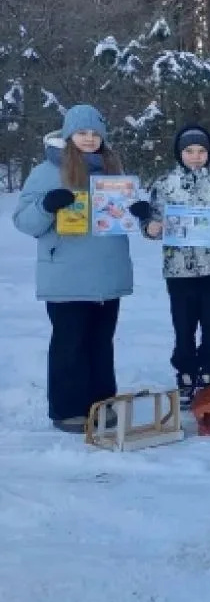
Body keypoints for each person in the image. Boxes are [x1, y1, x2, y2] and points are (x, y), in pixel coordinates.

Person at [13, 104, 136, 432]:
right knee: (70, 343)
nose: (89, 139)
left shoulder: (112, 172)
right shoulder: (45, 172)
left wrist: (137, 210)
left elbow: (120, 220)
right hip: (66, 274)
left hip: (107, 275)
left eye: (95, 134)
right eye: (82, 133)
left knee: (101, 341)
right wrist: (46, 205)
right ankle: (68, 409)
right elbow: (24, 221)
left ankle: (101, 403)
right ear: (69, 135)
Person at [142, 124, 210, 406]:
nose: (196, 156)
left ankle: (209, 370)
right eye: (189, 151)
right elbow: (151, 223)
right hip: (179, 270)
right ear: (179, 152)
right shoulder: (164, 183)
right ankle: (186, 373)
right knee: (183, 326)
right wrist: (151, 227)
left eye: (202, 151)